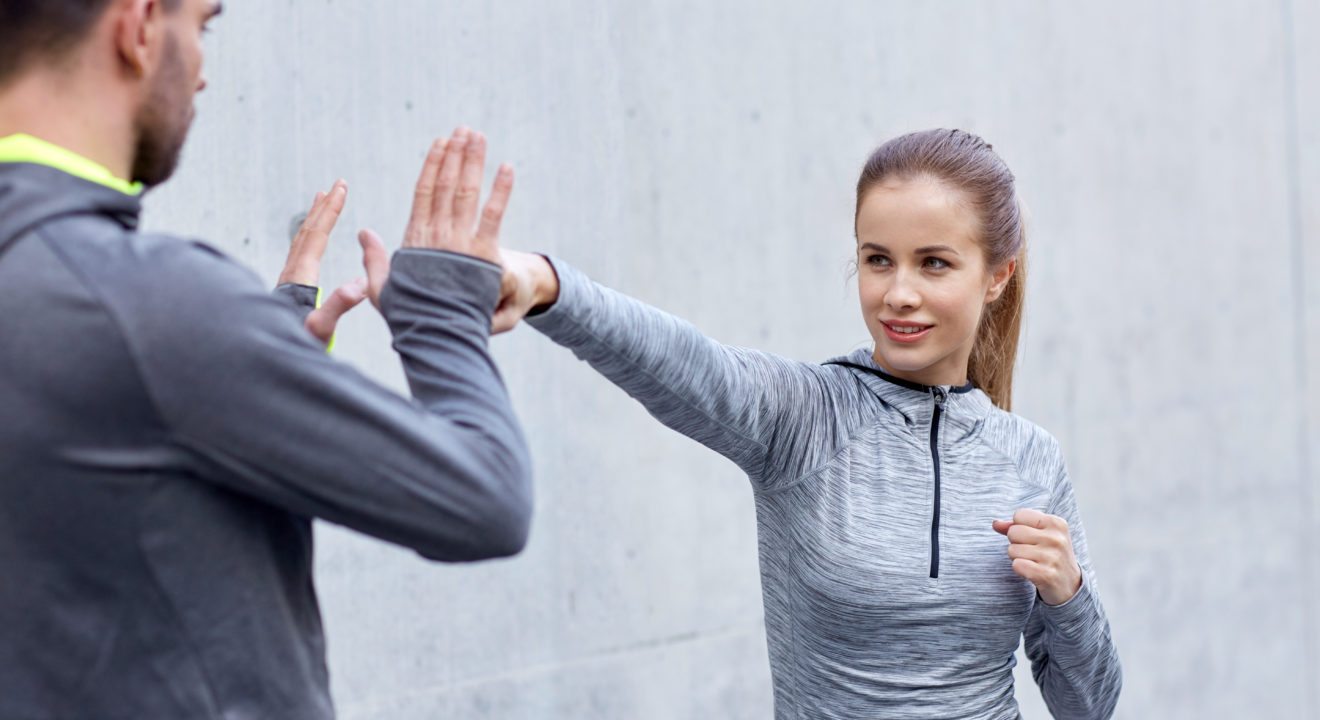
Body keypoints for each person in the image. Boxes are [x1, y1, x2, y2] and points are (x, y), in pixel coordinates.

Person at [0, 1, 532, 717]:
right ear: (140, 26)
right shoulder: (150, 305)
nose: (203, 75)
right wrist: (440, 311)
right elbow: (484, 500)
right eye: (202, 26)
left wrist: (247, 367)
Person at [495, 129, 1122, 718]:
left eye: (933, 263)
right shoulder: (803, 417)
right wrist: (548, 287)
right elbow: (685, 361)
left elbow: (1088, 705)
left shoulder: (1030, 457)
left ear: (997, 276)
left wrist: (1067, 595)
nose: (898, 293)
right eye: (879, 259)